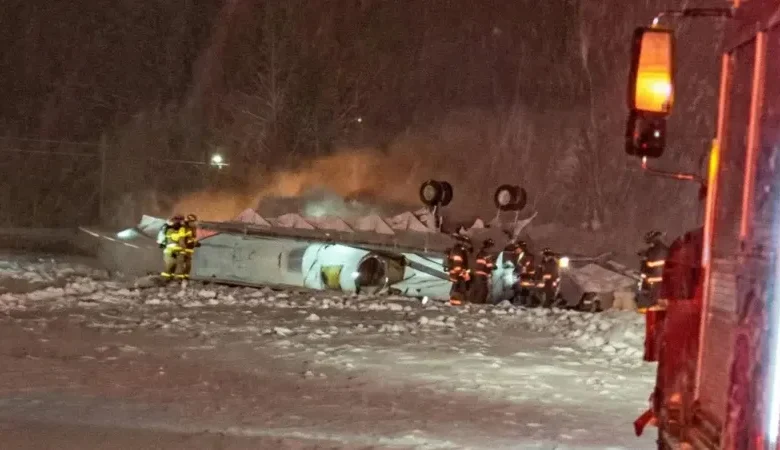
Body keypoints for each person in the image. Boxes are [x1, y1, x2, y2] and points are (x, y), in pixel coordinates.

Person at [637, 230, 668, 310]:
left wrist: (644, 259)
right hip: (662, 279)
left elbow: (648, 266)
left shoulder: (652, 251)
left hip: (655, 279)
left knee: (655, 299)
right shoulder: (665, 250)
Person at [445, 233, 472, 306]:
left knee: (457, 290)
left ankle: (456, 303)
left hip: (458, 275)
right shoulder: (458, 250)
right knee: (457, 291)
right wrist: (460, 275)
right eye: (467, 244)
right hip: (458, 275)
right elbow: (457, 265)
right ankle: (456, 304)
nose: (468, 246)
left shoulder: (460, 251)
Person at [157, 214, 184, 280]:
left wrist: (162, 243)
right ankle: (166, 280)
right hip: (172, 250)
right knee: (170, 267)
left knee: (171, 267)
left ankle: (168, 280)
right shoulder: (171, 229)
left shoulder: (167, 227)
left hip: (169, 250)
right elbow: (180, 240)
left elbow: (161, 239)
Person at [470, 238, 496, 304]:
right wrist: (494, 266)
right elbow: (489, 265)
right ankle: (478, 304)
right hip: (482, 274)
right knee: (483, 290)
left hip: (475, 273)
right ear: (489, 246)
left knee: (476, 289)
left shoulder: (480, 252)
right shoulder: (487, 254)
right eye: (492, 246)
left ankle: (472, 302)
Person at [176, 214, 201, 279]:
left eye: (195, 222)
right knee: (181, 262)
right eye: (193, 222)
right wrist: (182, 247)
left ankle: (185, 277)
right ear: (189, 221)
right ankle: (179, 277)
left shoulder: (193, 228)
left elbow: (193, 238)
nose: (195, 223)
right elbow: (181, 239)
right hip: (183, 248)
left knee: (188, 263)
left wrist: (196, 243)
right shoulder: (183, 228)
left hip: (189, 248)